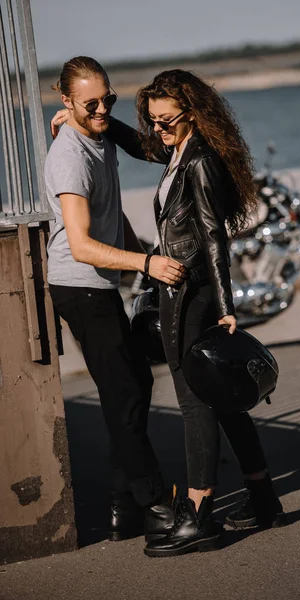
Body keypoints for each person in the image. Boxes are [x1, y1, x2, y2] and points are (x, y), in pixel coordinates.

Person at [51, 68, 286, 558]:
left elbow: (214, 235)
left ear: (193, 114)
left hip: (191, 291)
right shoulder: (176, 146)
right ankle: (264, 497)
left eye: (165, 121)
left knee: (195, 401)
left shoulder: (198, 160)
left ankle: (199, 516)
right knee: (221, 397)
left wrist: (226, 306)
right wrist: (87, 121)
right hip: (181, 287)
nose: (156, 131)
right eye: (151, 120)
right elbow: (140, 146)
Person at [45, 56, 186, 543]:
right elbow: (81, 244)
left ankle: (123, 508)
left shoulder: (98, 136)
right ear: (65, 101)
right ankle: (158, 509)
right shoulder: (69, 157)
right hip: (78, 284)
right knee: (124, 392)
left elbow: (140, 160)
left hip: (100, 283)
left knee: (135, 387)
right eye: (91, 102)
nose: (103, 108)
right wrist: (146, 265)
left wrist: (138, 253)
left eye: (109, 99)